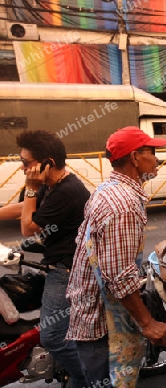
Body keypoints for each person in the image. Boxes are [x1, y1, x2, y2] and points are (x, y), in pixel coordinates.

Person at [66, 126, 166, 387]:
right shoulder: (124, 206)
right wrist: (148, 323)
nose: (157, 159)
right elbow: (118, 275)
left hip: (91, 309)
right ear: (135, 158)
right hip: (100, 323)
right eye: (152, 152)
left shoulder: (108, 189)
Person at [0, 130, 90, 387]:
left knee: (52, 337)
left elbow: (28, 227)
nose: (22, 168)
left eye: (25, 163)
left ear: (47, 163)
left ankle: (88, 380)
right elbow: (24, 208)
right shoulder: (54, 186)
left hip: (65, 271)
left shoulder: (66, 191)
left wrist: (30, 188)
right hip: (55, 262)